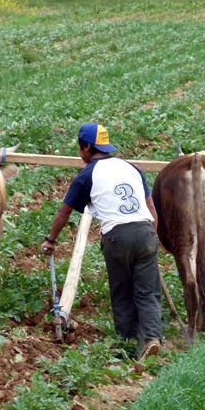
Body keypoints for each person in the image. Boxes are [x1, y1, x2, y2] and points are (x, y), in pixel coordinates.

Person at [41, 123, 163, 361]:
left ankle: (129, 347)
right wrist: (152, 238)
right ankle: (152, 339)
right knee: (148, 293)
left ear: (87, 147)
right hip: (146, 231)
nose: (80, 153)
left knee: (122, 293)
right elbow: (150, 207)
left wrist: (50, 240)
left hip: (117, 237)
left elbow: (64, 212)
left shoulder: (86, 175)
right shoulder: (131, 167)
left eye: (80, 147)